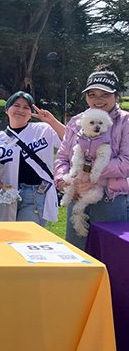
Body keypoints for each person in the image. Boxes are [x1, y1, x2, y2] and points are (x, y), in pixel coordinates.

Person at [54, 67, 129, 250]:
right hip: (77, 196)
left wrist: (88, 170)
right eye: (92, 94)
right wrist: (62, 181)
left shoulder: (125, 122)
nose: (98, 99)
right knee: (76, 257)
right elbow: (62, 157)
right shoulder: (76, 121)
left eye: (105, 94)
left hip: (110, 200)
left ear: (116, 96)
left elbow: (126, 163)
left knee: (110, 257)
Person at [0, 92, 65, 226]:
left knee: (26, 237)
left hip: (36, 193)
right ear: (7, 109)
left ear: (31, 113)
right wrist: (3, 190)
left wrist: (52, 121)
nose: (21, 110)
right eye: (16, 105)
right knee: (10, 238)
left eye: (26, 107)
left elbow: (70, 140)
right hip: (10, 194)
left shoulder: (43, 129)